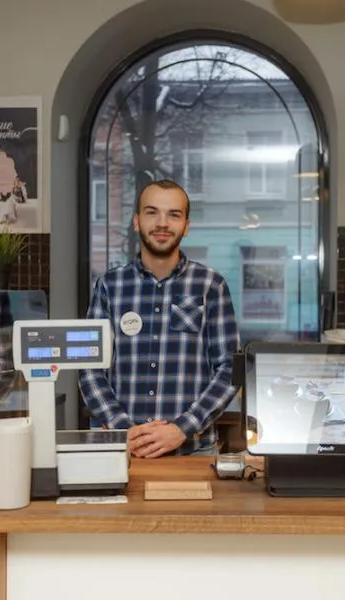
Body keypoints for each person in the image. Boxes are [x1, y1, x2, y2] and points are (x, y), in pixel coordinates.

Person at [78, 179, 240, 457]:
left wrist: (182, 428)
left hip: (193, 450)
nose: (162, 223)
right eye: (152, 212)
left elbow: (229, 369)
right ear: (136, 221)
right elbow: (89, 366)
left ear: (186, 225)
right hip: (121, 450)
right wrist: (125, 429)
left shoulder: (211, 285)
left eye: (174, 214)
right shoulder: (109, 285)